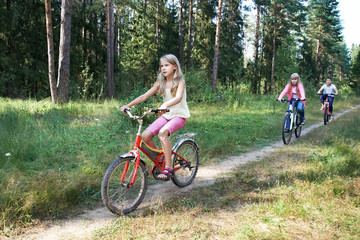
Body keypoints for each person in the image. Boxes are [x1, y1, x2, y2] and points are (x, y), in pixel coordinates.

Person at [120, 54, 190, 180]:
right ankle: (162, 159)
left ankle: (168, 168)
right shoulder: (161, 82)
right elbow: (144, 96)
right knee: (145, 135)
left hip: (179, 116)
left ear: (175, 67)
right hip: (167, 115)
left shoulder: (180, 81)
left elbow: (178, 97)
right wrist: (128, 105)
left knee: (163, 133)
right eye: (161, 66)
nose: (163, 68)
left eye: (166, 65)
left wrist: (165, 104)